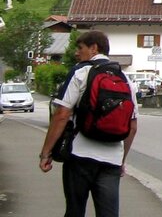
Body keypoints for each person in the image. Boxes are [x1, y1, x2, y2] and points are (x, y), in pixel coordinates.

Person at [39, 30, 139, 217]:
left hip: (79, 156)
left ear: (94, 48)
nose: (77, 53)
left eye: (80, 48)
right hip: (111, 160)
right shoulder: (126, 80)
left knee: (75, 211)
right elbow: (132, 127)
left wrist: (46, 153)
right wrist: (121, 161)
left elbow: (62, 114)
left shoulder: (80, 72)